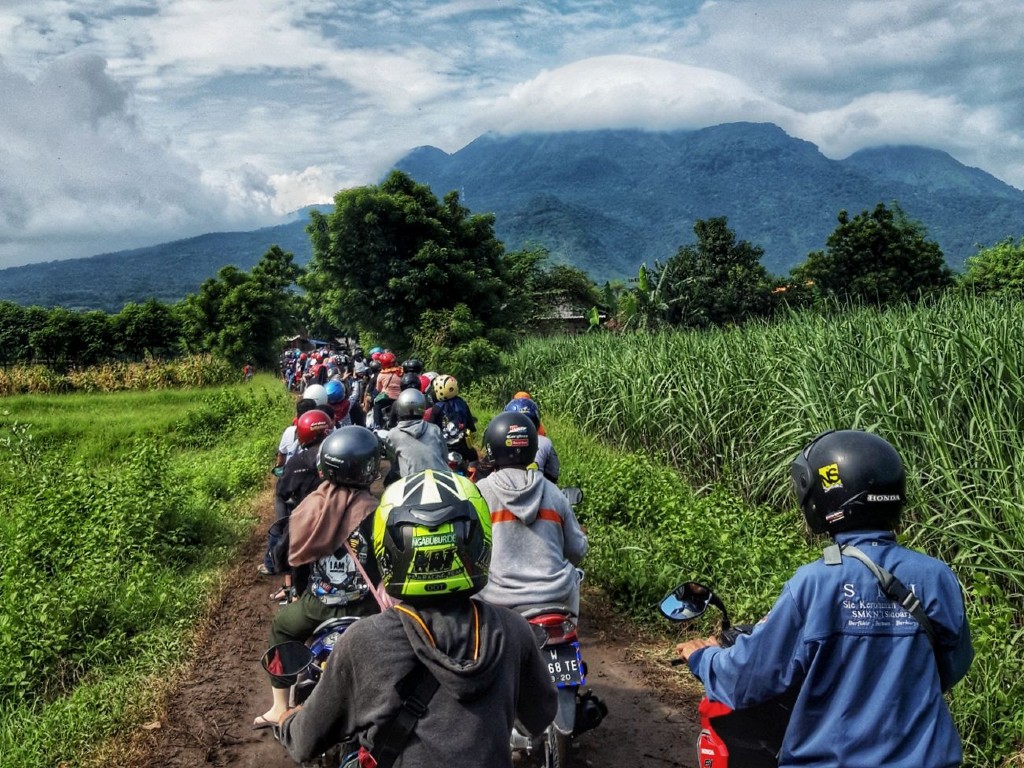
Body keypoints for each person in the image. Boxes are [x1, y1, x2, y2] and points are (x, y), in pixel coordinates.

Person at [676, 429, 974, 768]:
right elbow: (952, 666)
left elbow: (750, 677)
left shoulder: (815, 583)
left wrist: (704, 659)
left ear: (824, 500)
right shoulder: (937, 577)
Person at [275, 467, 559, 767]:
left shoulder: (362, 642)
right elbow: (538, 718)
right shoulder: (513, 631)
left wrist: (286, 721)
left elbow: (305, 742)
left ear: (388, 550)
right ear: (478, 543)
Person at [254, 426, 384, 730]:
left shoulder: (309, 507)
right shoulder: (378, 511)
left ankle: (278, 708)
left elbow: (292, 558)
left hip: (318, 607)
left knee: (282, 627)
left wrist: (300, 593)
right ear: (369, 468)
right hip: (367, 608)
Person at [475, 412, 588, 617]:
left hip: (497, 601)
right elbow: (577, 550)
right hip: (556, 596)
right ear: (533, 447)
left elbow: (469, 549)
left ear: (491, 447)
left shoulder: (480, 493)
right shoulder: (553, 492)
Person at [260, 409, 335, 584]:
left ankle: (292, 591)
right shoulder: (339, 453)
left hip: (309, 520)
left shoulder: (297, 461)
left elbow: (282, 493)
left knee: (287, 549)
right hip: (341, 515)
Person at [383, 388, 448, 481]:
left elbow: (394, 464)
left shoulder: (393, 434)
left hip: (412, 483)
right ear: (422, 407)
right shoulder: (434, 429)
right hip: (442, 480)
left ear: (400, 408)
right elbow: (445, 457)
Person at [503, 397, 560, 483]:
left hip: (504, 486)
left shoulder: (500, 440)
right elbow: (553, 475)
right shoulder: (545, 442)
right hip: (537, 488)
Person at [427, 374, 478, 461]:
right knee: (474, 458)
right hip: (462, 448)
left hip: (443, 449)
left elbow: (429, 430)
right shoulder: (462, 403)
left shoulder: (437, 407)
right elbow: (471, 427)